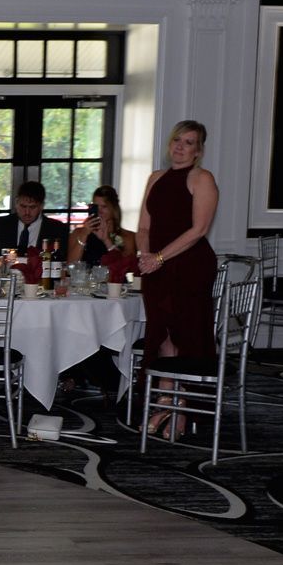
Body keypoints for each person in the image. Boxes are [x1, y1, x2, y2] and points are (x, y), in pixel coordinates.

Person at [137, 120, 220, 436]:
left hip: (189, 267)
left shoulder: (202, 179)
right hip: (156, 268)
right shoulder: (155, 178)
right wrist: (145, 256)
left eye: (189, 142)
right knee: (163, 337)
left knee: (186, 336)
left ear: (198, 150)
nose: (180, 147)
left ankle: (179, 408)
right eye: (177, 140)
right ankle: (167, 404)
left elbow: (198, 230)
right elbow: (144, 227)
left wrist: (157, 258)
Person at [0, 179, 68, 254]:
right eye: (23, 206)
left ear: (41, 206)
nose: (27, 212)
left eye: (32, 207)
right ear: (16, 203)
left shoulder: (57, 229)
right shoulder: (1, 225)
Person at [68, 184, 131, 266]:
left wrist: (107, 241)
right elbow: (70, 267)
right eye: (96, 206)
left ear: (114, 208)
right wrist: (84, 235)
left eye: (104, 207)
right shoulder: (78, 233)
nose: (99, 211)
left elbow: (125, 268)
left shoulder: (127, 236)